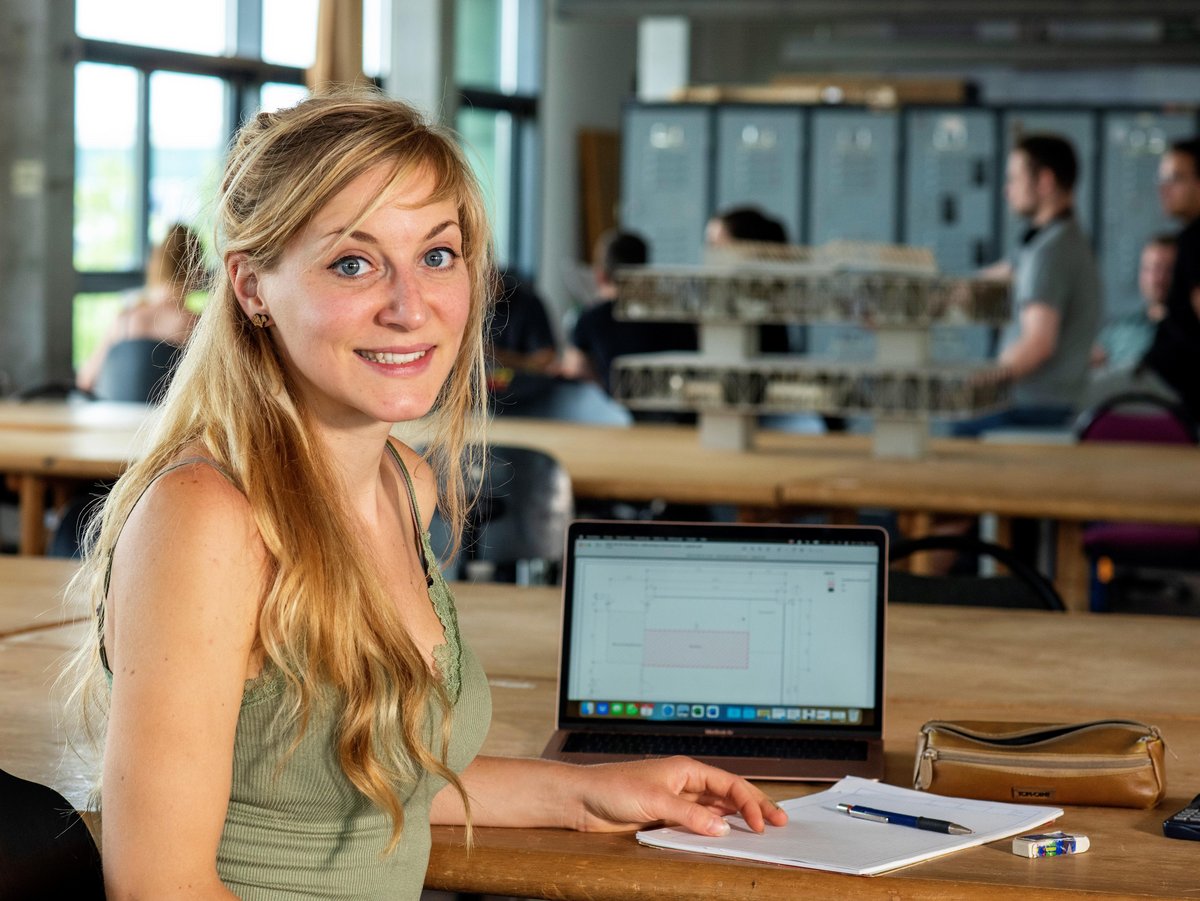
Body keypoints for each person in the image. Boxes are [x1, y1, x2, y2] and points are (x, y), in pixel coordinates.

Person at [63, 91, 784, 900]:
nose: (410, 308)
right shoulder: (208, 519)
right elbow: (160, 889)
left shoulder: (406, 484)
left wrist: (585, 791)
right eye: (353, 262)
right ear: (252, 286)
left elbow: (369, 780)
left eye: (437, 255)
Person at [954, 134, 1101, 436]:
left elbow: (1038, 343)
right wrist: (914, 301)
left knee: (956, 430)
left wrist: (976, 384)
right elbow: (991, 278)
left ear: (1044, 181)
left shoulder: (1050, 252)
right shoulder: (1052, 239)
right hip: (1051, 403)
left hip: (1040, 407)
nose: (1007, 190)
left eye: (1013, 179)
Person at [561, 229, 697, 394]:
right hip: (676, 413)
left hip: (616, 415)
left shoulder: (591, 319)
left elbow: (574, 370)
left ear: (600, 275)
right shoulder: (676, 315)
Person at [75, 222, 205, 393]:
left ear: (155, 266)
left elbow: (85, 380)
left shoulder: (125, 319)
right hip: (169, 419)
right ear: (198, 269)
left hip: (121, 418)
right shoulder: (198, 325)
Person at [1133, 137, 1200, 421]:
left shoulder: (1196, 241)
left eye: (1175, 179)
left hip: (1173, 396)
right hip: (1168, 390)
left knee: (1082, 403)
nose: (1163, 189)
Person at [1090, 234, 1174, 372]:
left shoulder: (1188, 334)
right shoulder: (1121, 329)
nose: (1157, 278)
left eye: (1167, 270)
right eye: (1149, 269)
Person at [489, 268, 558, 373]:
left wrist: (498, 357)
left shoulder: (528, 303)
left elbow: (546, 358)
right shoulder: (468, 307)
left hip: (521, 382)